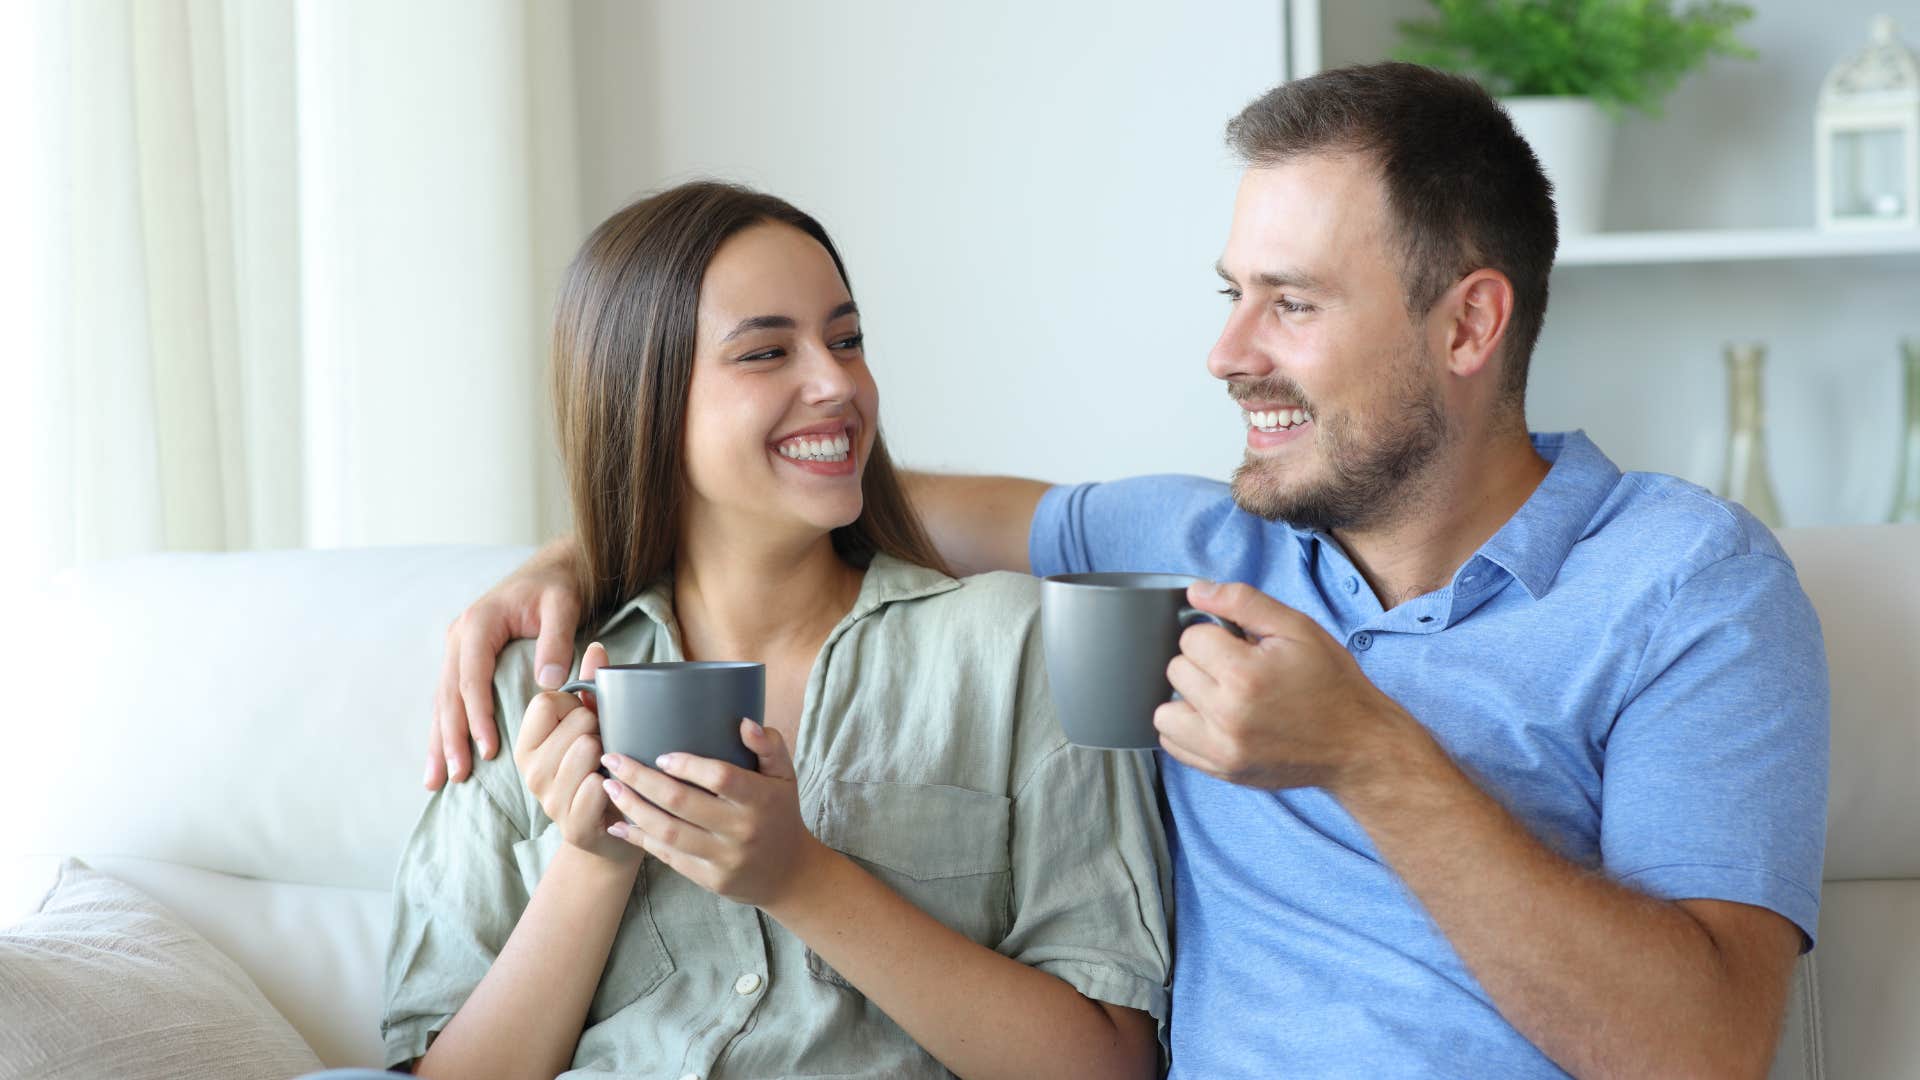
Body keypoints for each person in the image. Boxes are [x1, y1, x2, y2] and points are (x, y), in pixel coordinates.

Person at [429, 64, 1828, 1077]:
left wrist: (1365, 757)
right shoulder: (1201, 541)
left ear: (1469, 325)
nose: (1227, 355)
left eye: (1291, 302)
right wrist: (578, 552)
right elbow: (832, 490)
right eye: (1232, 295)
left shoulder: (1686, 586)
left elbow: (1704, 1052)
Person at [384, 181, 1168, 1079]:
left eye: (847, 340)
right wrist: (591, 864)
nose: (837, 383)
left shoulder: (1015, 647)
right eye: (765, 352)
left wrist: (802, 879)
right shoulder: (527, 681)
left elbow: (1111, 1066)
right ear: (644, 401)